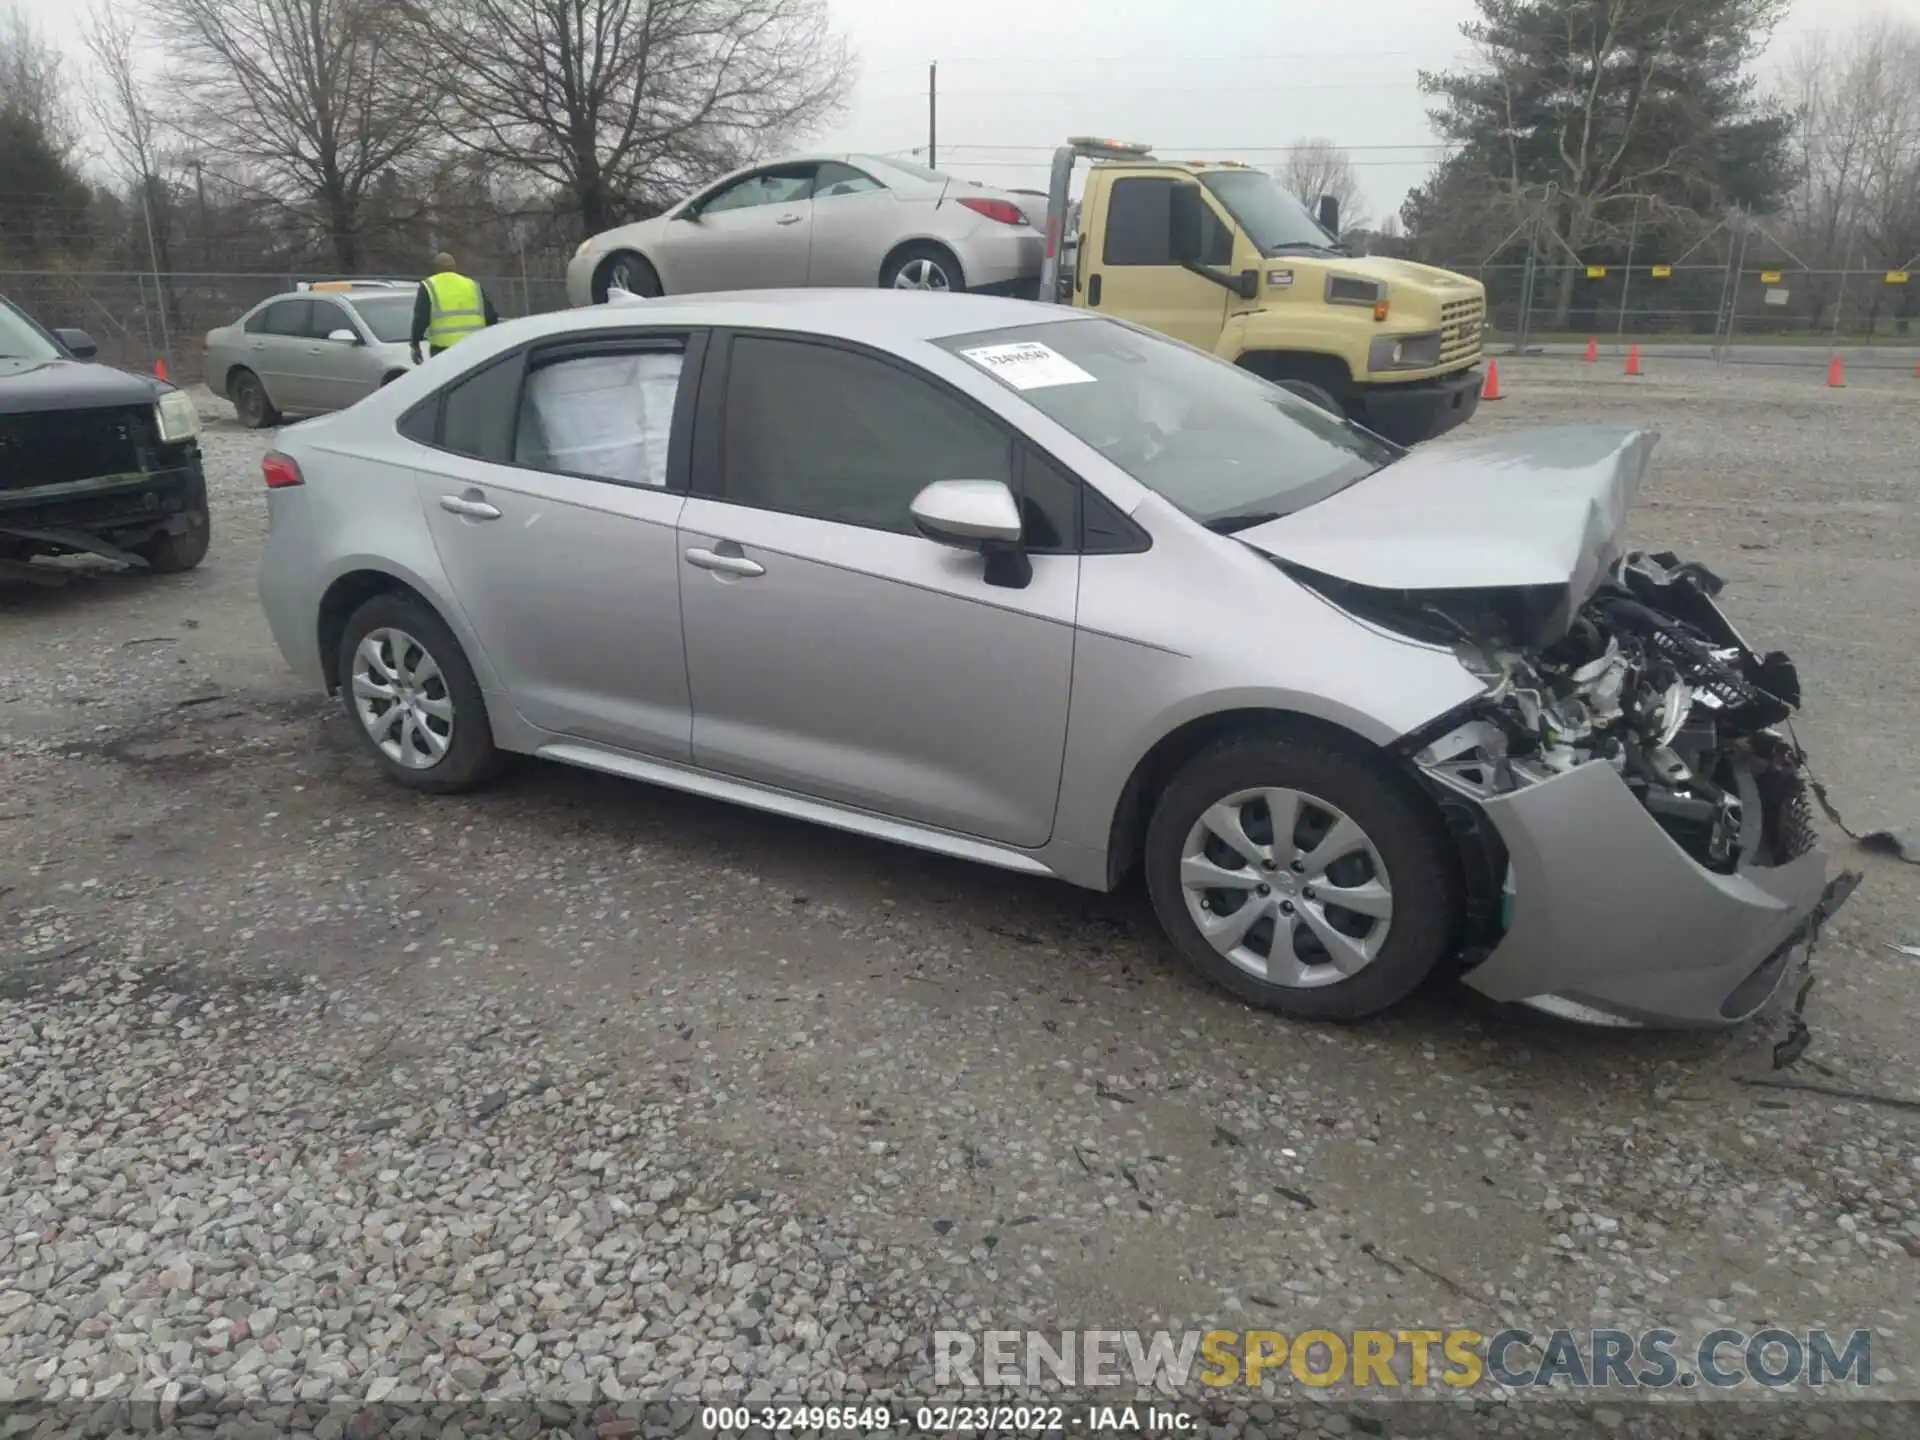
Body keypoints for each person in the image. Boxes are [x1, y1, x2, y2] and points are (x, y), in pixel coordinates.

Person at [410, 252, 499, 364]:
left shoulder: (429, 286)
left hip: (444, 350)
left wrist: (415, 344)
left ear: (436, 268)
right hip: (474, 348)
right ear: (455, 267)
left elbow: (421, 319)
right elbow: (490, 316)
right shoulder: (472, 284)